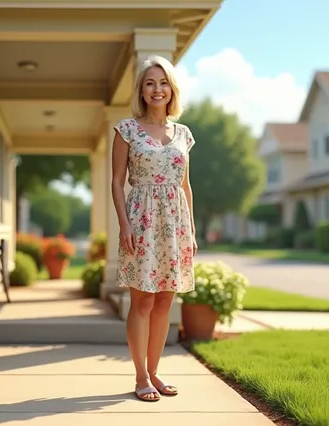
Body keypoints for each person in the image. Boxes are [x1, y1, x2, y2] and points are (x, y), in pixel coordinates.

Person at [110, 55, 197, 402]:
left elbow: (186, 186)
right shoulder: (126, 129)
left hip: (175, 225)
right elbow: (117, 182)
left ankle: (156, 371)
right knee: (142, 301)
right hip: (141, 222)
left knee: (165, 301)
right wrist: (124, 225)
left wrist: (191, 230)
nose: (157, 89)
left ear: (171, 89)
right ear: (142, 91)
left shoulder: (183, 134)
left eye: (163, 83)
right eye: (150, 83)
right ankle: (141, 376)